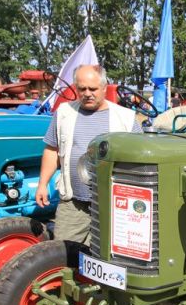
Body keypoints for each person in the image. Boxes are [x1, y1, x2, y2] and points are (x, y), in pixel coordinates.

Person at [35, 64, 142, 244]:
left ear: (104, 88)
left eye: (92, 89)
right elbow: (52, 149)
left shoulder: (126, 118)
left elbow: (140, 158)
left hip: (113, 204)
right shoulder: (64, 113)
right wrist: (42, 184)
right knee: (63, 251)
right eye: (82, 88)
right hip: (73, 202)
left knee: (106, 253)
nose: (87, 93)